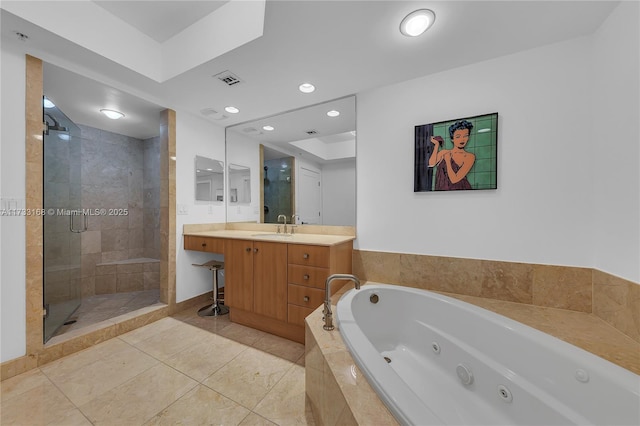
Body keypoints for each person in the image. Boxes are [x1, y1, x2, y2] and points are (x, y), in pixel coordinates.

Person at [428, 120, 475, 190]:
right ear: (452, 139)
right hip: (441, 190)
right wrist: (437, 145)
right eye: (458, 136)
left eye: (465, 136)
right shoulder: (444, 152)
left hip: (461, 191)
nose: (462, 140)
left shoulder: (470, 157)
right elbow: (431, 164)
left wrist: (448, 161)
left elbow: (454, 179)